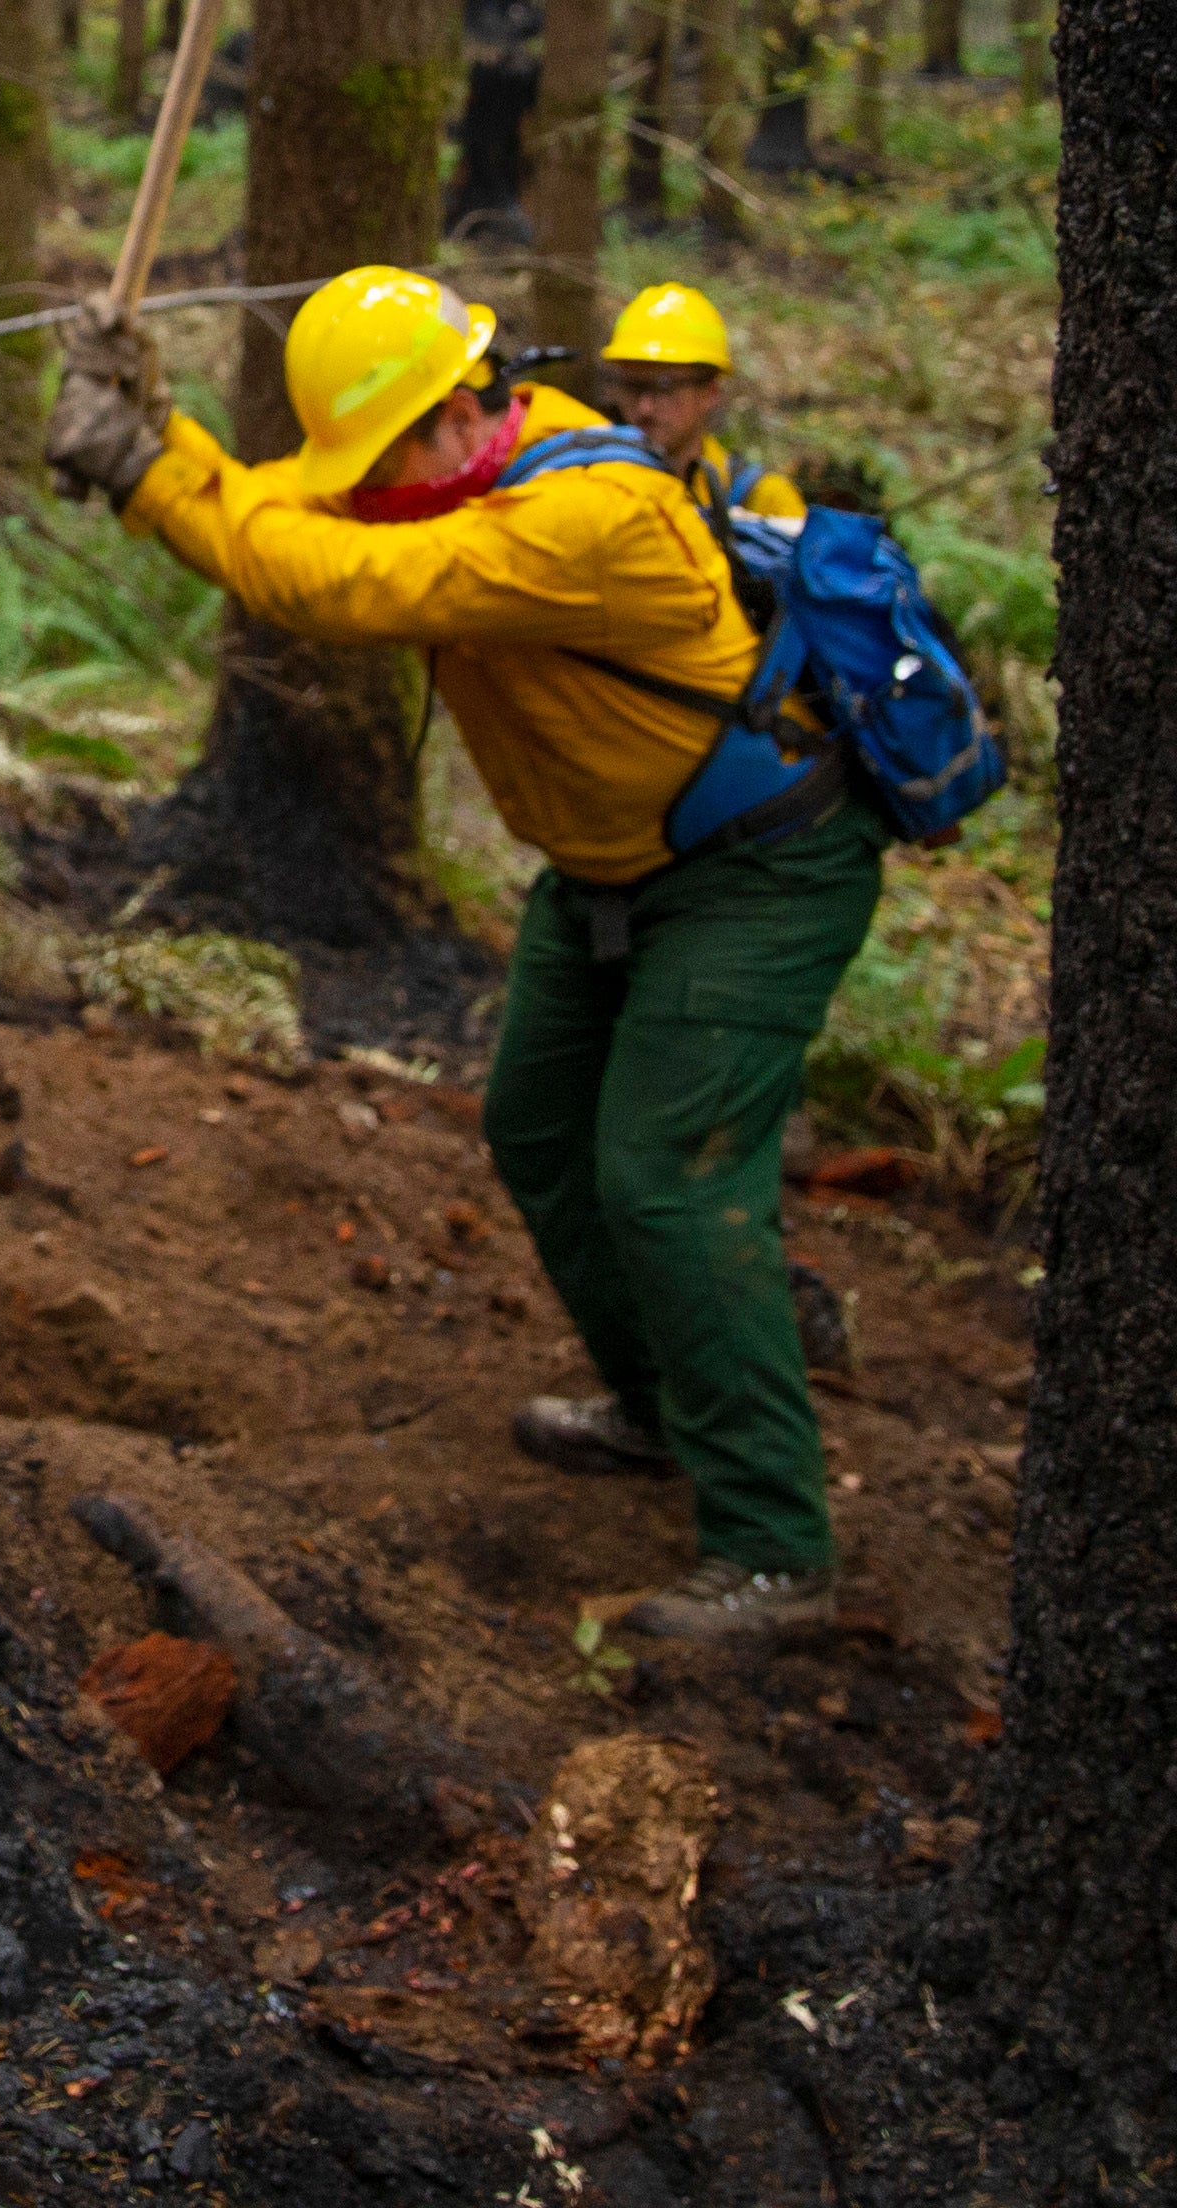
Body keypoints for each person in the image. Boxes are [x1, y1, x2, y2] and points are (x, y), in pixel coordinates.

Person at [43, 269, 882, 1641]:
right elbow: (304, 509)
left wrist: (142, 474)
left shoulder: (582, 517)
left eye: (377, 455)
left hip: (758, 876)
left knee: (669, 1179)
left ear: (453, 412)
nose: (361, 483)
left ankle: (777, 1547)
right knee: (540, 1130)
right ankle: (662, 1409)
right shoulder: (466, 457)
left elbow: (339, 581)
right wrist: (164, 429)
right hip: (613, 869)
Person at [589, 280, 806, 540]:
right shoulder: (590, 487)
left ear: (710, 392)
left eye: (664, 388)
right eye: (633, 387)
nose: (645, 407)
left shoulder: (762, 500)